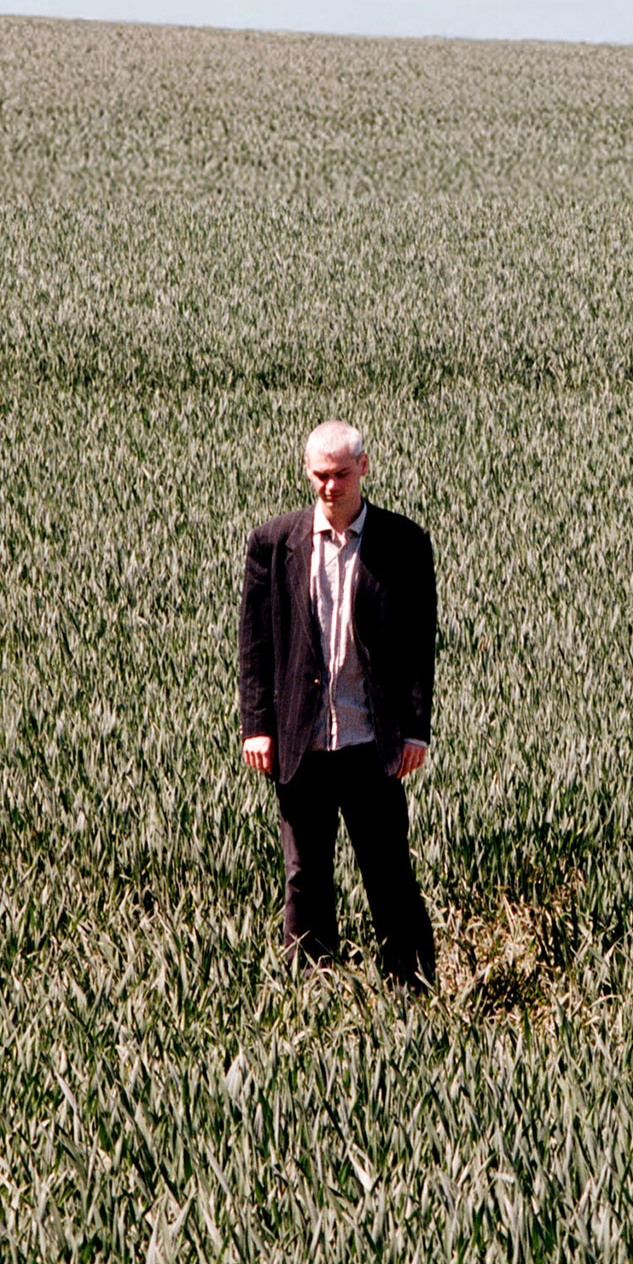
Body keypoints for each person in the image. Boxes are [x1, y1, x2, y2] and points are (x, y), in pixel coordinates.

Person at [237, 420, 439, 987]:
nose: (330, 487)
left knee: (389, 872)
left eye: (341, 475)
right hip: (303, 740)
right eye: (320, 476)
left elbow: (419, 642)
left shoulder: (403, 543)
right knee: (305, 876)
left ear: (364, 468)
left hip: (371, 740)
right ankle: (312, 987)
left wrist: (415, 731)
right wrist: (258, 725)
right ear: (308, 473)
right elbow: (255, 642)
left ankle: (412, 986)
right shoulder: (274, 543)